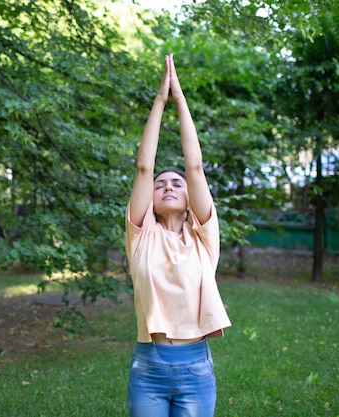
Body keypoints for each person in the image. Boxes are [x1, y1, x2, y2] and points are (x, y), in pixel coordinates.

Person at [125, 54, 232, 417]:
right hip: (148, 369)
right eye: (160, 185)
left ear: (191, 200)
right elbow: (143, 166)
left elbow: (195, 166)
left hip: (196, 369)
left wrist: (180, 99)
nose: (168, 186)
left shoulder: (203, 239)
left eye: (177, 184)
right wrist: (159, 100)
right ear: (151, 201)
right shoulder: (141, 237)